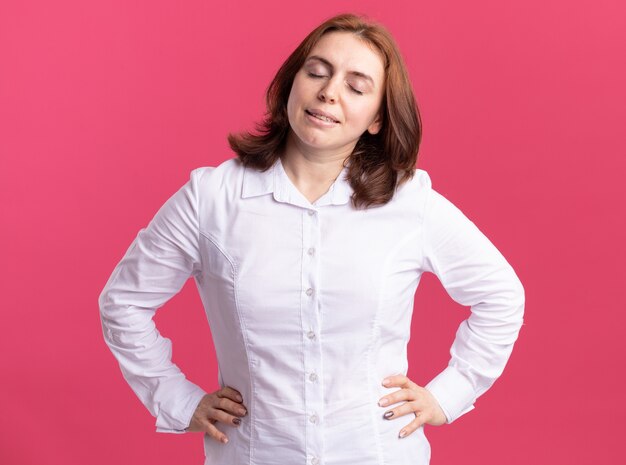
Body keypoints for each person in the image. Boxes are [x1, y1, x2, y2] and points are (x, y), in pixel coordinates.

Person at [98, 12, 525, 465]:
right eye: (317, 72)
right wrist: (178, 400)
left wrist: (450, 394)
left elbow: (501, 295)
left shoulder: (409, 203)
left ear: (377, 117)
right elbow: (122, 303)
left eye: (356, 87)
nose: (329, 92)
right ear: (291, 84)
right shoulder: (211, 198)